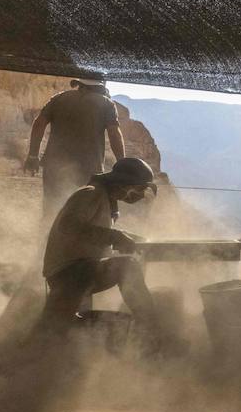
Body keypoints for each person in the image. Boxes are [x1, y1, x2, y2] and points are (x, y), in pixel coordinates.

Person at [36, 157, 166, 347]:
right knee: (126, 267)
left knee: (61, 329)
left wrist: (128, 236)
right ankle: (153, 334)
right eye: (137, 189)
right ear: (124, 183)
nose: (137, 195)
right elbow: (69, 226)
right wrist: (115, 237)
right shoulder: (91, 193)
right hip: (69, 273)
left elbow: (92, 231)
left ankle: (145, 335)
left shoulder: (103, 197)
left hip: (77, 271)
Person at [24, 76, 126, 216]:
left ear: (79, 84)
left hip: (54, 167)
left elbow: (39, 124)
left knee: (52, 210)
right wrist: (122, 164)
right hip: (89, 169)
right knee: (85, 212)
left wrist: (33, 155)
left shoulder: (59, 99)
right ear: (100, 87)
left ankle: (48, 236)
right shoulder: (106, 104)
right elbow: (114, 134)